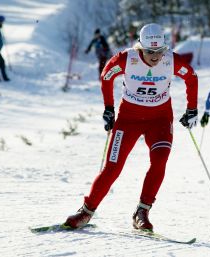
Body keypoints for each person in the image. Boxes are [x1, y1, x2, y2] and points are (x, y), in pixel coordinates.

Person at [65, 23, 199, 231]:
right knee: (113, 168)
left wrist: (192, 109)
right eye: (149, 51)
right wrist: (109, 108)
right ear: (140, 48)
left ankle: (142, 212)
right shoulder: (127, 59)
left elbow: (191, 77)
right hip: (129, 120)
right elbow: (106, 75)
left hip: (160, 120)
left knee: (160, 161)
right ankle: (86, 212)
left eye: (160, 51)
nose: (155, 57)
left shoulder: (171, 60)